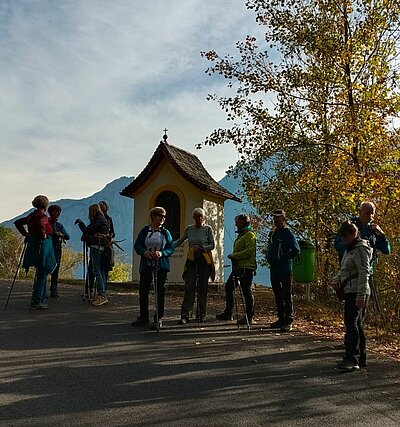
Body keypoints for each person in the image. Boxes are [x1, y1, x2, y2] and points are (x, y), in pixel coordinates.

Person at [331, 221, 372, 371]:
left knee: (351, 323)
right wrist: (337, 278)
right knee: (357, 324)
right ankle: (361, 357)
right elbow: (345, 269)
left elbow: (364, 272)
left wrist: (360, 295)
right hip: (350, 290)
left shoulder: (360, 249)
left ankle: (352, 358)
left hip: (356, 291)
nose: (344, 240)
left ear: (354, 234)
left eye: (345, 237)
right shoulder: (351, 249)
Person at [334, 201, 390, 310]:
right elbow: (338, 245)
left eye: (372, 213)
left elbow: (386, 250)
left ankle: (359, 326)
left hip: (366, 272)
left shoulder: (374, 231)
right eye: (367, 213)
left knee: (361, 308)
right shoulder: (350, 226)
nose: (370, 216)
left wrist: (382, 235)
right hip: (349, 272)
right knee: (350, 307)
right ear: (360, 212)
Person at [131, 207, 174, 330]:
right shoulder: (145, 231)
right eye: (160, 216)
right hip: (146, 265)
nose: (162, 219)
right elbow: (137, 245)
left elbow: (171, 248)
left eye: (164, 217)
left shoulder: (166, 232)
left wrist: (161, 253)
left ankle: (158, 318)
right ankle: (144, 317)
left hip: (161, 266)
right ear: (153, 216)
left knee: (160, 292)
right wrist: (144, 252)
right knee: (143, 291)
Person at [14, 195, 57, 310]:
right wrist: (43, 234)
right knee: (42, 274)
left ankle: (39, 298)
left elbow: (17, 222)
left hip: (33, 246)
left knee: (40, 274)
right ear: (45, 205)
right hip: (43, 247)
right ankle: (37, 300)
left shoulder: (31, 216)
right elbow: (42, 224)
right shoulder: (42, 216)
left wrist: (26, 234)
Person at [174, 207, 215, 324]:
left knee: (203, 287)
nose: (199, 219)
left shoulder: (208, 229)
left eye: (201, 217)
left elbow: (212, 245)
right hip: (191, 260)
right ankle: (185, 315)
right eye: (197, 217)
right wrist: (168, 246)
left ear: (203, 218)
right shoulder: (189, 229)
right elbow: (180, 240)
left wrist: (202, 248)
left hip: (204, 260)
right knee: (189, 286)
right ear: (193, 218)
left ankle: (201, 314)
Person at [216, 214, 257, 325]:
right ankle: (228, 312)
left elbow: (249, 251)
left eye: (237, 222)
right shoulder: (242, 234)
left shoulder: (249, 235)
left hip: (246, 268)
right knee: (229, 287)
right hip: (238, 267)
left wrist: (235, 256)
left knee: (246, 291)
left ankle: (249, 316)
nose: (235, 224)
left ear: (243, 223)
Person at [266, 209, 300, 332]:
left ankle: (288, 320)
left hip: (284, 268)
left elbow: (296, 250)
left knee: (286, 293)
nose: (276, 220)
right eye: (274, 218)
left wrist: (284, 257)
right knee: (277, 294)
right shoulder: (274, 233)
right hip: (274, 268)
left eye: (278, 218)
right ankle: (281, 318)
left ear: (284, 219)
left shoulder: (287, 233)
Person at [75, 204, 110, 306]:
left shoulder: (98, 219)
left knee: (96, 270)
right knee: (102, 270)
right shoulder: (103, 219)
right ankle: (102, 293)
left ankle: (102, 294)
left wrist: (80, 223)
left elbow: (87, 230)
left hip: (96, 246)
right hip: (102, 246)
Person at [48, 204, 70, 298]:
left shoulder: (59, 225)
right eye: (56, 211)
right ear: (51, 212)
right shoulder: (47, 223)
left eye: (59, 212)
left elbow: (67, 236)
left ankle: (54, 290)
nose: (58, 213)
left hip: (57, 249)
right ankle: (41, 291)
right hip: (48, 248)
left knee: (56, 270)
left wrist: (61, 234)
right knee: (45, 269)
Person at [99, 200, 115, 284]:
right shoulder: (96, 218)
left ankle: (103, 287)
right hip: (98, 244)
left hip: (107, 245)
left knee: (106, 266)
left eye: (103, 206)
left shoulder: (109, 219)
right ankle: (89, 289)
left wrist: (110, 236)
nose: (101, 208)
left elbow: (113, 232)